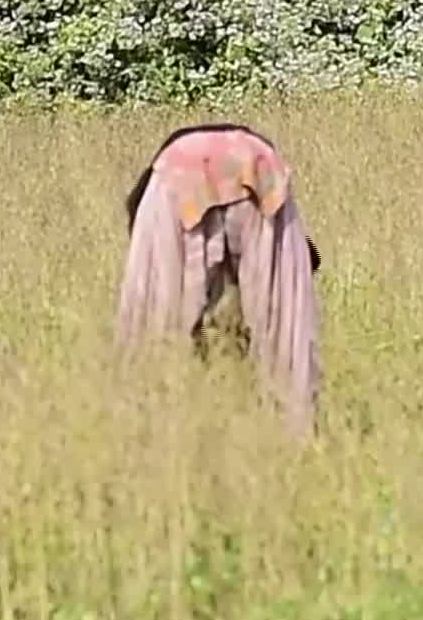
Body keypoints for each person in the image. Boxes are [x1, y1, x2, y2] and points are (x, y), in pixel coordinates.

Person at [116, 122, 323, 437]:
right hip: (259, 166)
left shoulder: (156, 187)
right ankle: (294, 433)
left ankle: (146, 430)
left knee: (156, 324)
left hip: (181, 172)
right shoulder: (247, 151)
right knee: (284, 327)